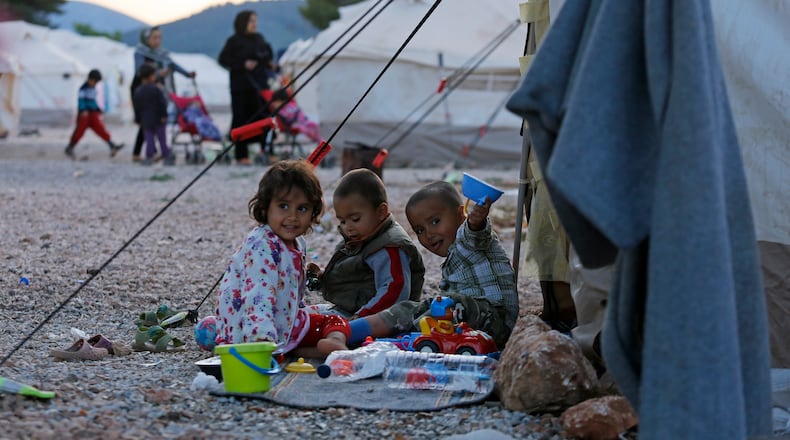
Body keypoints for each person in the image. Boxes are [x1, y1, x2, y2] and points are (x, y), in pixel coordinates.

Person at [346, 181, 519, 349]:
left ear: (461, 214)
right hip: (464, 324)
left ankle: (406, 336)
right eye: (420, 230)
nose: (428, 234)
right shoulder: (453, 255)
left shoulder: (468, 239)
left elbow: (475, 231)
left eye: (435, 222)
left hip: (495, 323)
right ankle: (348, 330)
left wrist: (476, 220)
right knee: (410, 307)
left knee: (450, 303)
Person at [213, 160, 350, 357]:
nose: (293, 216)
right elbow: (257, 296)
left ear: (313, 211)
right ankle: (297, 349)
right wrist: (262, 342)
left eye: (302, 208)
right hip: (253, 332)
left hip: (281, 321)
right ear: (265, 207)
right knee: (332, 323)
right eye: (283, 206)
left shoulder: (297, 242)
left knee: (336, 319)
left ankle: (304, 348)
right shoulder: (262, 245)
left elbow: (294, 290)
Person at [307, 168, 425, 319]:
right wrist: (323, 277)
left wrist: (360, 317)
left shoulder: (389, 247)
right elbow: (357, 276)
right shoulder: (363, 237)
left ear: (381, 212)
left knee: (312, 326)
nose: (347, 226)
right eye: (342, 221)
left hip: (379, 319)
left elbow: (395, 290)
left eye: (355, 219)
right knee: (301, 316)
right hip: (352, 309)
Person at [218, 10, 276, 165]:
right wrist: (243, 64)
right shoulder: (234, 41)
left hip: (259, 86)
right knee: (241, 120)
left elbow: (267, 54)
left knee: (264, 118)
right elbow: (223, 59)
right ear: (243, 22)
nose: (254, 24)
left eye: (255, 20)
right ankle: (241, 155)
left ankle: (267, 150)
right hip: (241, 87)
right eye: (251, 21)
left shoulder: (259, 39)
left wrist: (267, 62)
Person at [130, 26, 196, 163]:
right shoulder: (140, 52)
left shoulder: (162, 54)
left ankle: (147, 152)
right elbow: (139, 71)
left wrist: (187, 74)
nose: (157, 41)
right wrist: (158, 73)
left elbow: (173, 65)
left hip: (156, 90)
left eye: (159, 37)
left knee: (150, 121)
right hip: (141, 90)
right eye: (154, 38)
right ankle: (145, 152)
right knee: (146, 121)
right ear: (146, 38)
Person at [64, 69, 124, 159]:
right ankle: (70, 147)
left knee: (101, 130)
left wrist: (98, 109)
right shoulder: (83, 89)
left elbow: (93, 101)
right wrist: (83, 110)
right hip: (84, 115)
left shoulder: (93, 88)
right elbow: (81, 101)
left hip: (93, 114)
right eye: (95, 81)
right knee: (79, 132)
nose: (95, 84)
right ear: (90, 79)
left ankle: (112, 145)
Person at [133, 64, 173, 166]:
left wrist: (138, 119)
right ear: (151, 76)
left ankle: (149, 157)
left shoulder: (138, 91)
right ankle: (166, 157)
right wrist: (164, 115)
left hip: (146, 120)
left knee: (149, 139)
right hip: (158, 119)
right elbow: (162, 103)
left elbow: (137, 107)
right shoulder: (156, 89)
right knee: (162, 139)